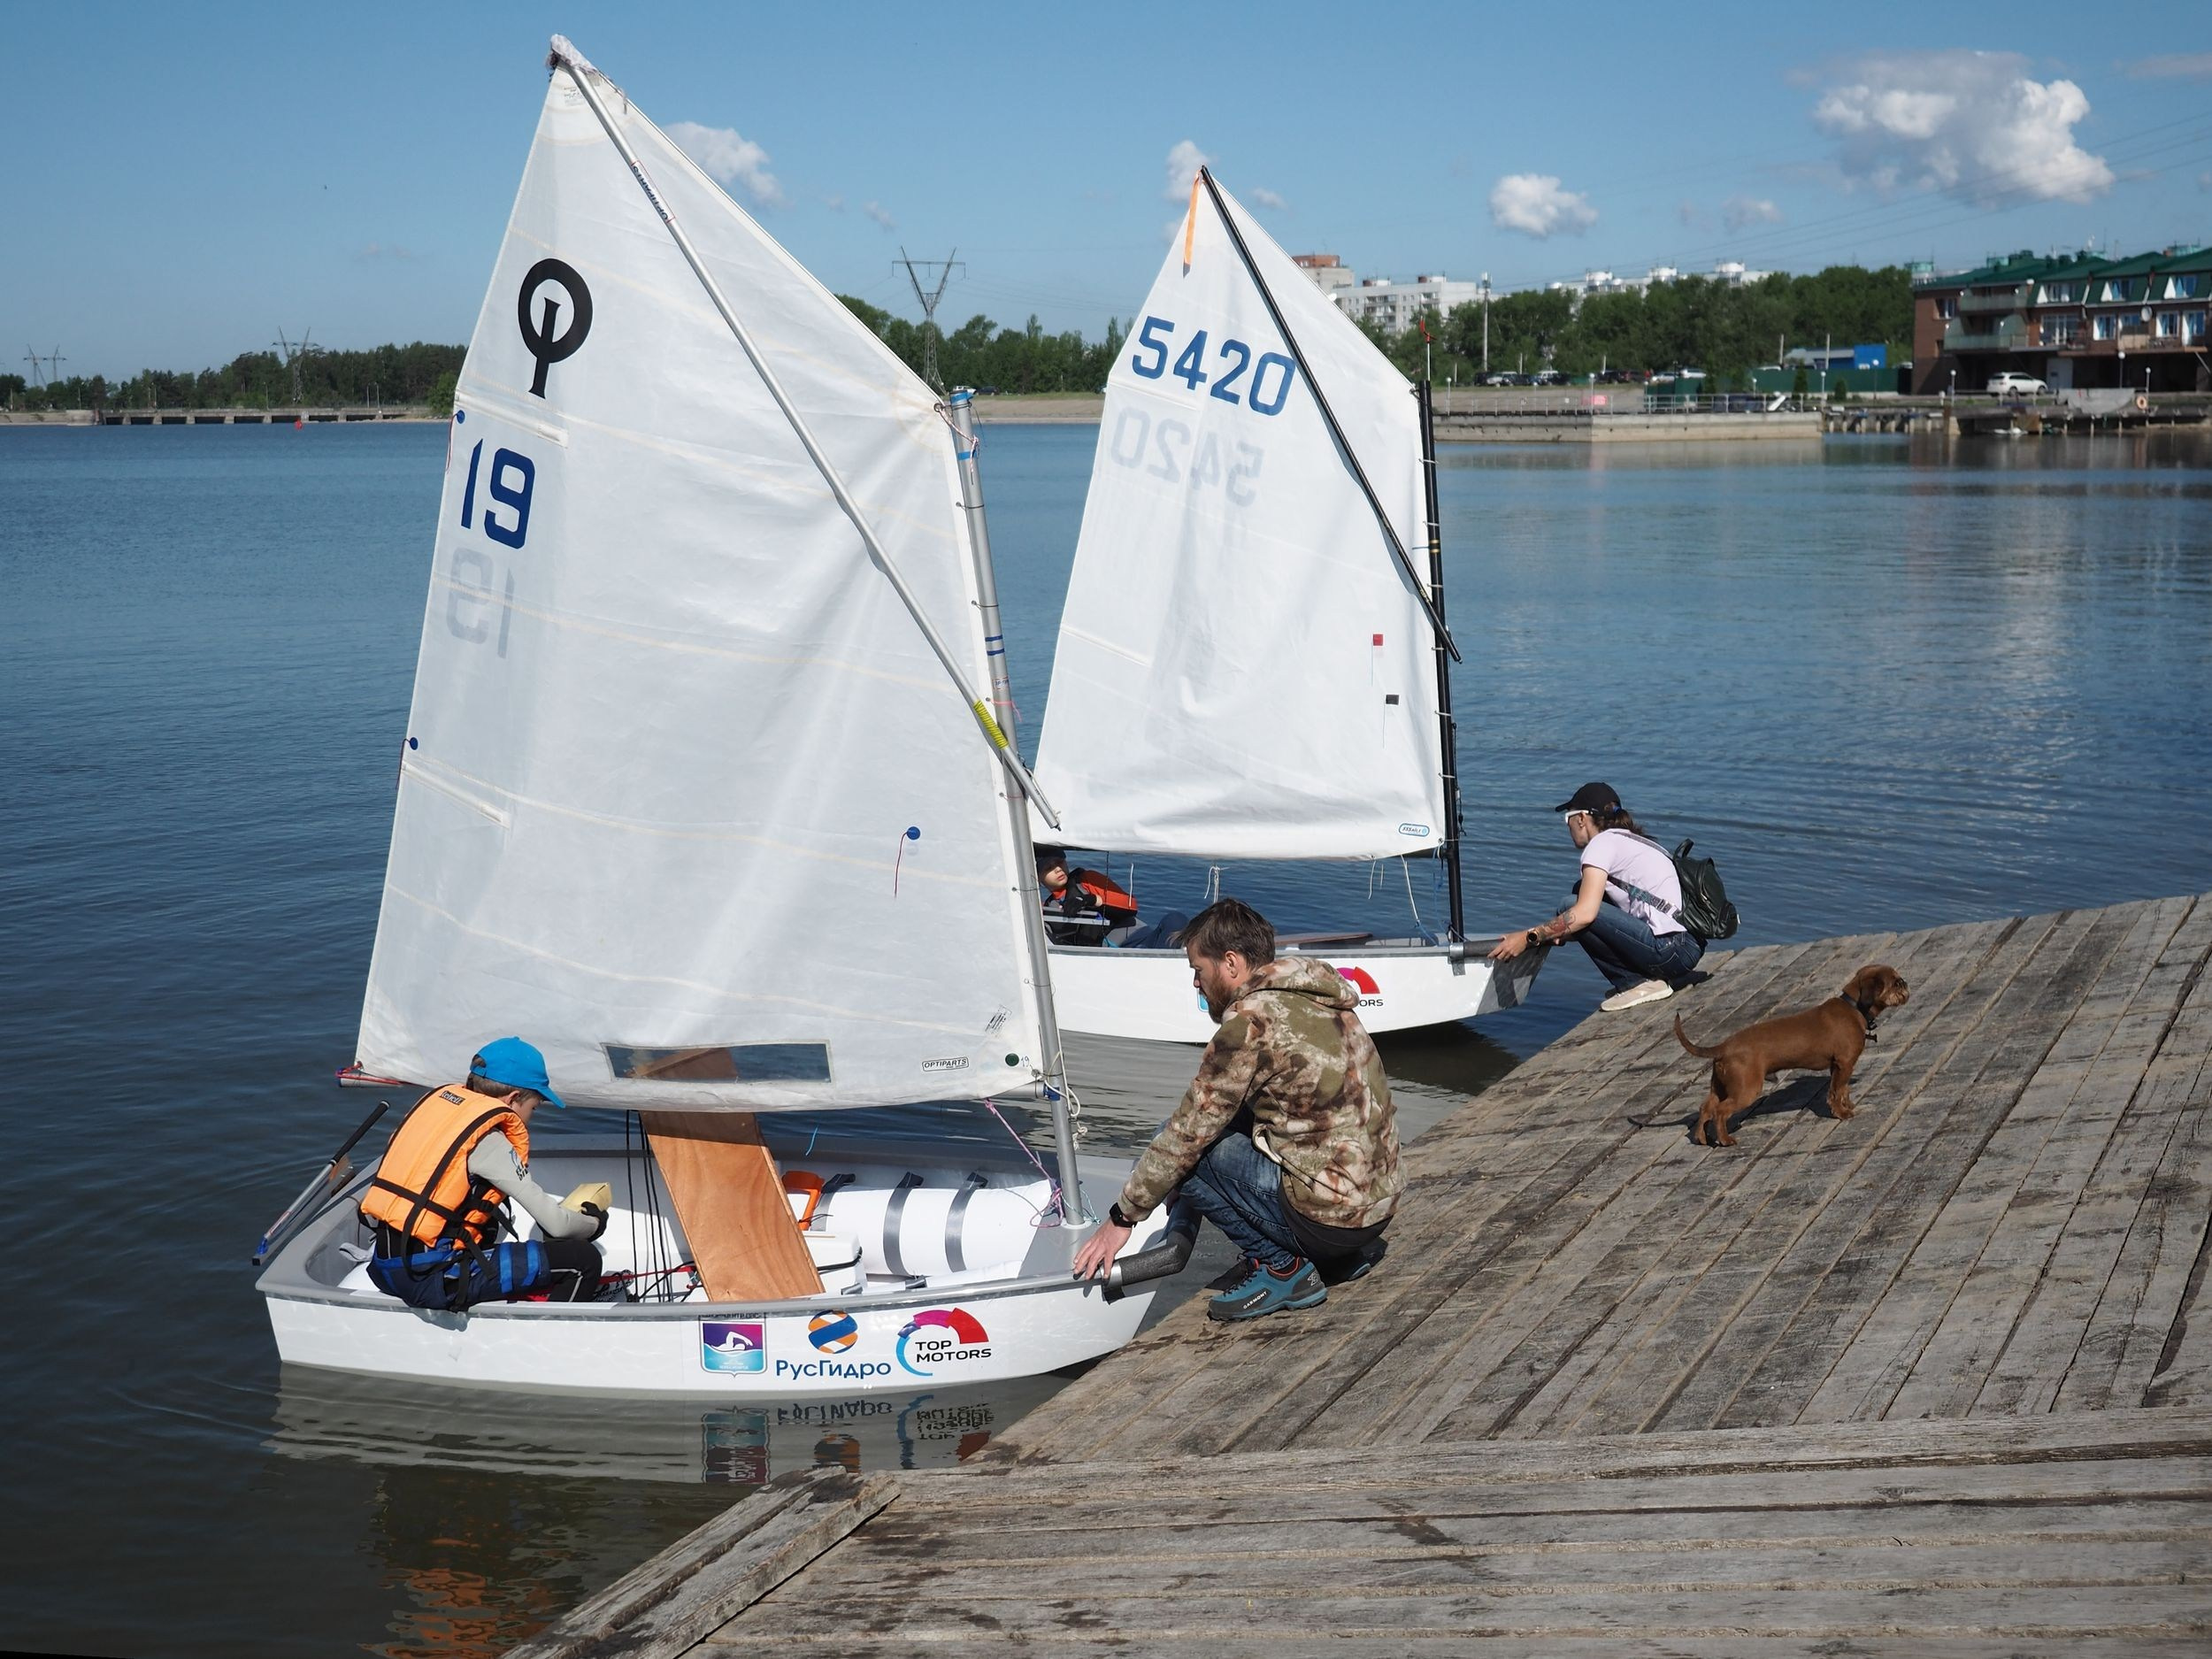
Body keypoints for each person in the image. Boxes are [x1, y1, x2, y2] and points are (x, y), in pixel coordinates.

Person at [1071, 898, 1400, 1321]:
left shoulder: (1250, 1023)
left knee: (1173, 1145)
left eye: (1197, 970)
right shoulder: (1322, 999)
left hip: (1331, 1222)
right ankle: (1337, 1257)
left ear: (1230, 963)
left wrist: (1123, 1218)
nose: (1195, 983)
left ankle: (1283, 1270)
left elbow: (1185, 1134)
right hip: (1375, 1213)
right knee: (1211, 1139)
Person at [359, 1036, 608, 1309]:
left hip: (386, 1267)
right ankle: (550, 1343)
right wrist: (594, 1223)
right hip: (432, 1278)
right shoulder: (487, 1141)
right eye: (533, 1108)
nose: (530, 1118)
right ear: (513, 1099)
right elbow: (557, 1225)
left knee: (489, 1228)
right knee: (583, 1260)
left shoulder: (436, 1113)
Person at [1487, 780, 1705, 1012]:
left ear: (1581, 818)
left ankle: (1637, 982)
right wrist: (1555, 934)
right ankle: (1649, 978)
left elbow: (1584, 914)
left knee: (1570, 905)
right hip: (1687, 946)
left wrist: (1528, 937)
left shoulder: (1600, 844)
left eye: (1568, 819)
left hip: (1670, 950)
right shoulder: (1633, 840)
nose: (1568, 827)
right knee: (1579, 892)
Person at [1034, 847, 1141, 946]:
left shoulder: (1087, 880)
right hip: (1100, 955)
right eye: (1049, 867)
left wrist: (1092, 900)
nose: (1058, 869)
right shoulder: (1046, 908)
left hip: (1135, 939)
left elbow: (1131, 905)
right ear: (1038, 877)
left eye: (1060, 862)